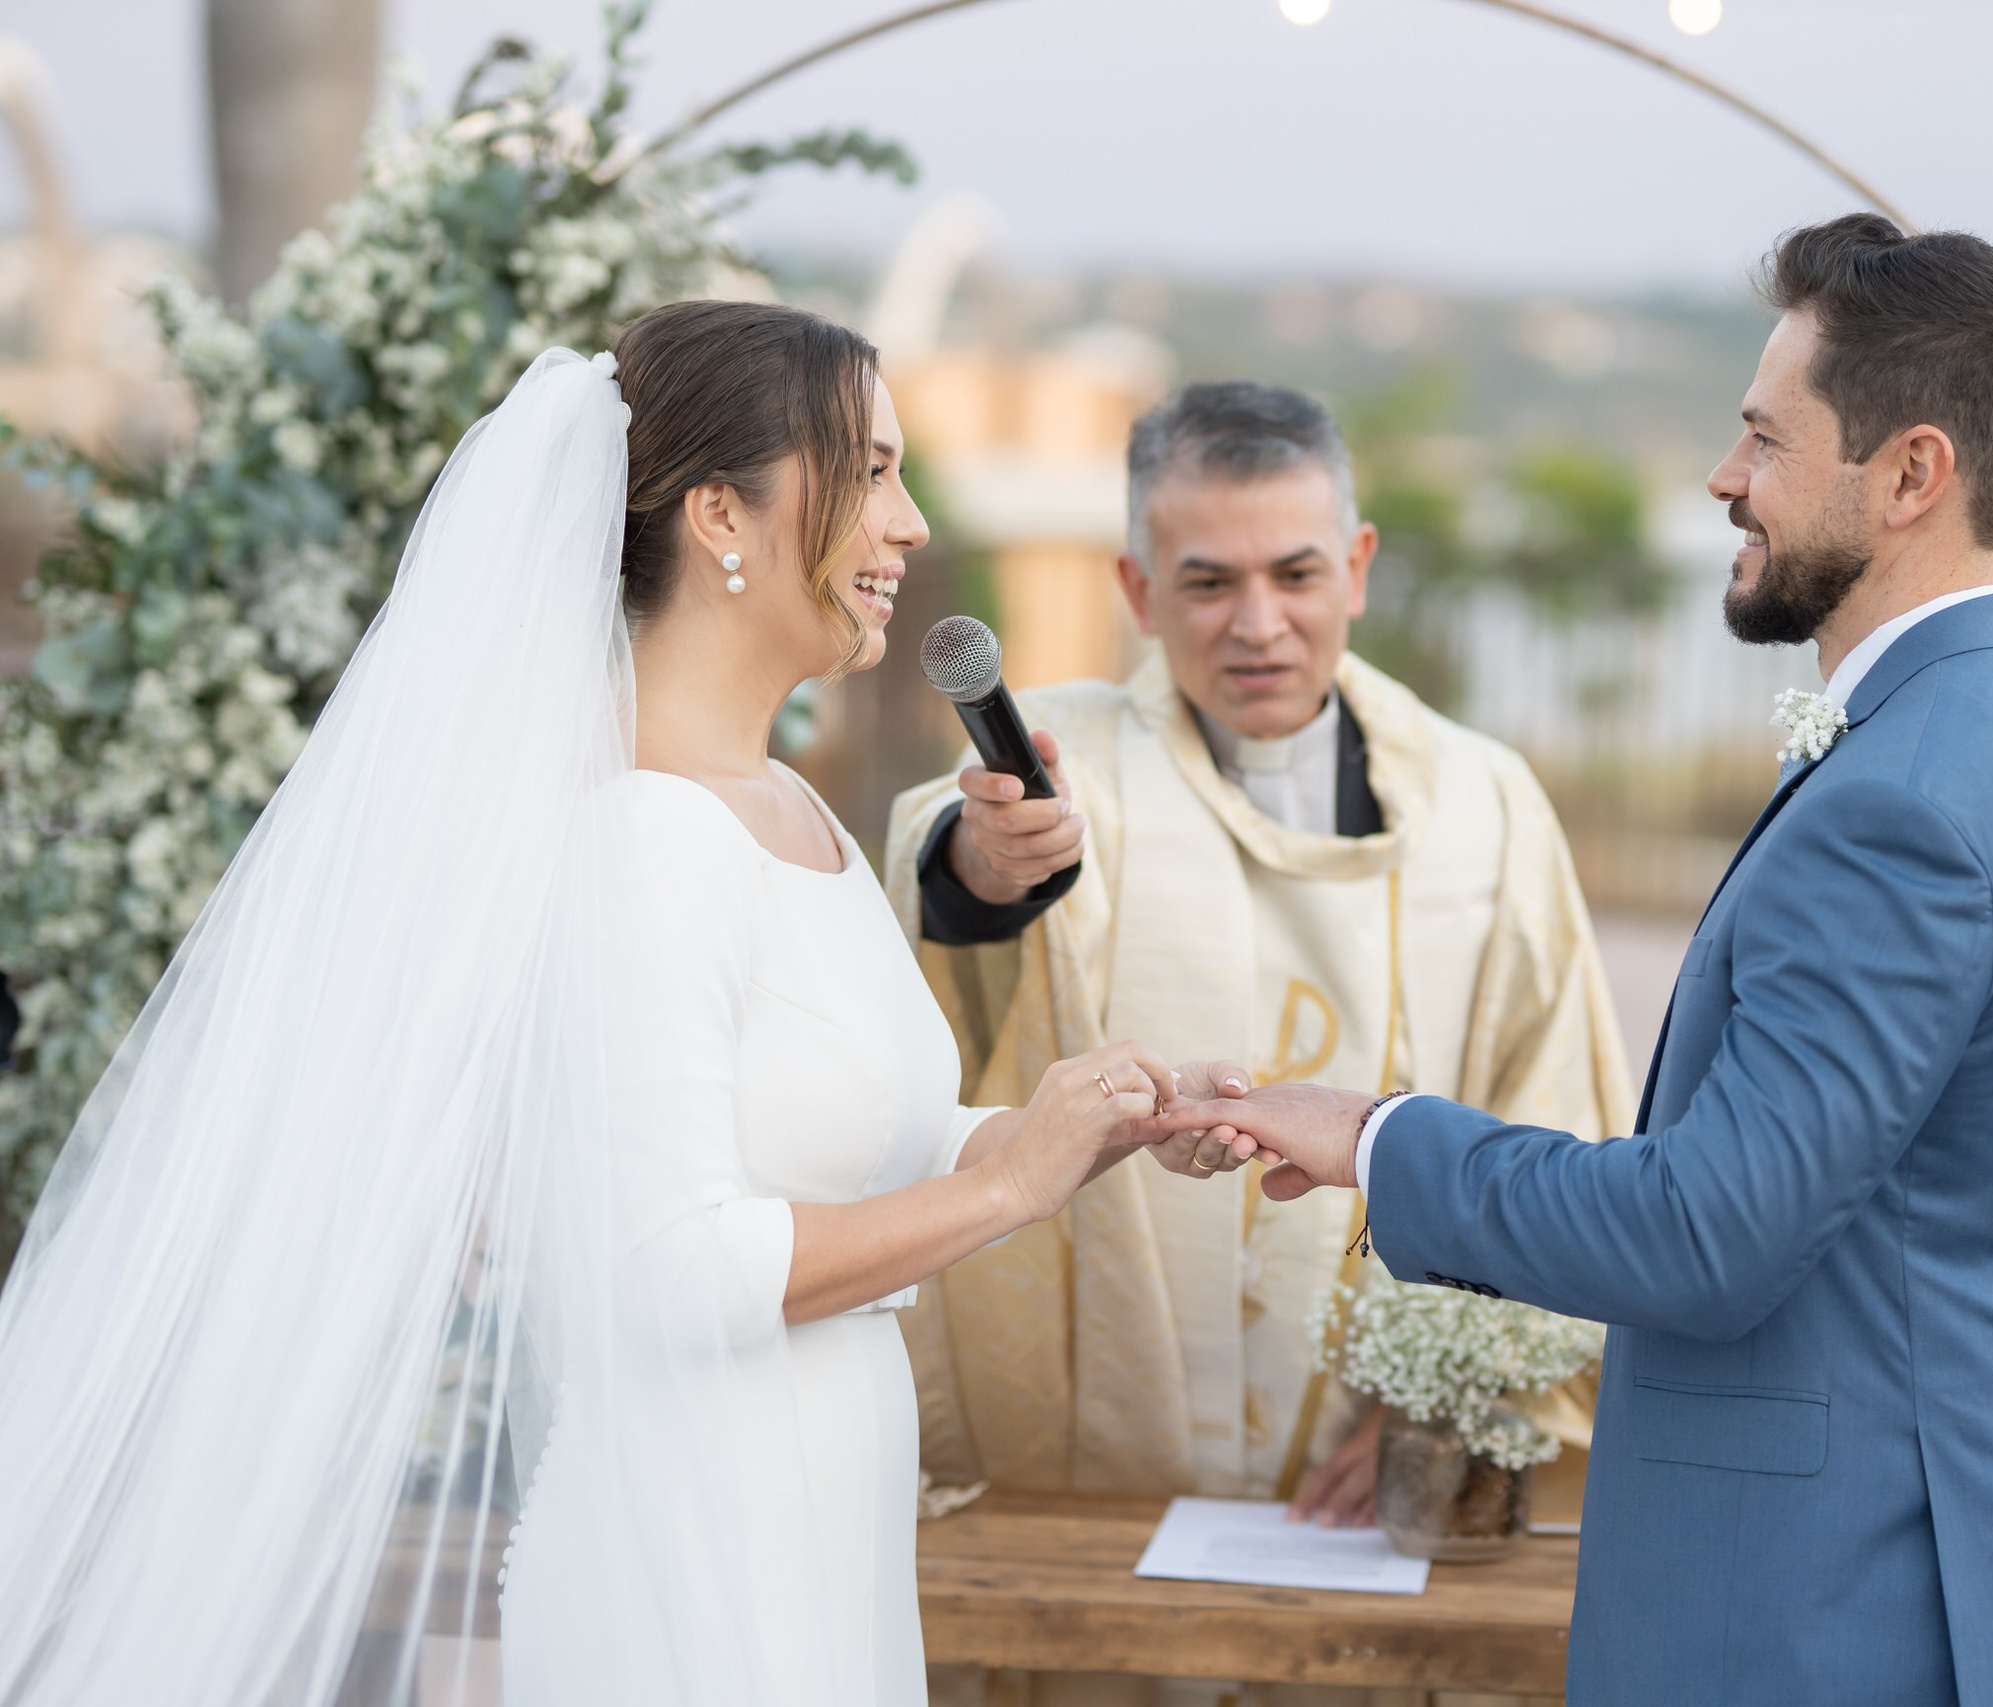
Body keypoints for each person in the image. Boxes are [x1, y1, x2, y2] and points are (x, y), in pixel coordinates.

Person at [0, 302, 1236, 1707]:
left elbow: (832, 1138)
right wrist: (1012, 1185)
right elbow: (670, 1265)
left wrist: (1089, 1124)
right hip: (693, 1546)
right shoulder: (639, 841)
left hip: (822, 1521)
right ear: (723, 511)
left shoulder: (791, 810)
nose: (905, 522)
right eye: (873, 470)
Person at [1166, 217, 1993, 1707]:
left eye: (1763, 436)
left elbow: (1710, 1233)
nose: (1722, 476)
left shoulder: (1905, 799)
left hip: (1827, 1603)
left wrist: (1377, 1135)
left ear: (1913, 474)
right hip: (1967, 1551)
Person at [883, 383, 1632, 1551]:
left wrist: (1449, 1405)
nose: (1258, 623)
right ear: (1136, 590)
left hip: (1361, 1487)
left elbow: (1556, 1119)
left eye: (1294, 574)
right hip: (1093, 1480)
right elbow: (951, 879)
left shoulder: (1485, 805)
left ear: (1358, 566)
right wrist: (986, 859)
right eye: (1207, 581)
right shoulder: (1068, 762)